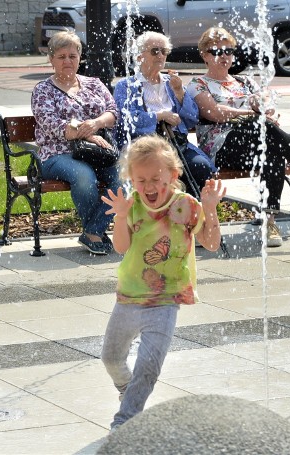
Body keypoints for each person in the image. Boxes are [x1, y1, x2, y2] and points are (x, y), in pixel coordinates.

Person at [100, 134, 226, 432]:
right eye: (141, 180)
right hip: (129, 297)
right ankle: (127, 387)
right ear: (131, 179)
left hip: (166, 299)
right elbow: (120, 247)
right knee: (110, 359)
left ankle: (126, 419)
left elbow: (210, 243)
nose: (149, 187)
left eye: (157, 178)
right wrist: (120, 217)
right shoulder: (132, 206)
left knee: (149, 365)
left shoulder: (186, 206)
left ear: (173, 175)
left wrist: (210, 209)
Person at [186, 27, 290, 247]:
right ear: (204, 54)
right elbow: (214, 113)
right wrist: (251, 114)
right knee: (267, 133)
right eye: (217, 51)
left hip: (254, 145)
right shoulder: (198, 84)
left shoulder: (245, 82)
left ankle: (269, 220)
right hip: (223, 147)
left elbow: (267, 106)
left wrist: (265, 109)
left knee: (271, 150)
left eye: (229, 51)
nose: (224, 56)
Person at [31, 31, 120, 255]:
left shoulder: (95, 84)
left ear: (80, 58)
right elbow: (52, 124)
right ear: (51, 59)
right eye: (61, 57)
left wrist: (97, 123)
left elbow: (113, 113)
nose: (68, 61)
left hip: (98, 152)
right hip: (57, 154)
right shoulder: (42, 90)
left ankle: (93, 230)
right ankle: (95, 233)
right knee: (84, 177)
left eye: (72, 55)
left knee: (125, 179)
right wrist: (88, 133)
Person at [113, 31, 215, 197]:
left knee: (201, 166)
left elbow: (191, 119)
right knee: (160, 172)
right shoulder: (126, 85)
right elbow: (128, 119)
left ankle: (193, 214)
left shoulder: (171, 83)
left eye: (164, 51)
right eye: (154, 51)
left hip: (176, 144)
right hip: (144, 148)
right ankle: (168, 215)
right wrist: (159, 116)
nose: (160, 55)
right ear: (139, 56)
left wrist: (179, 93)